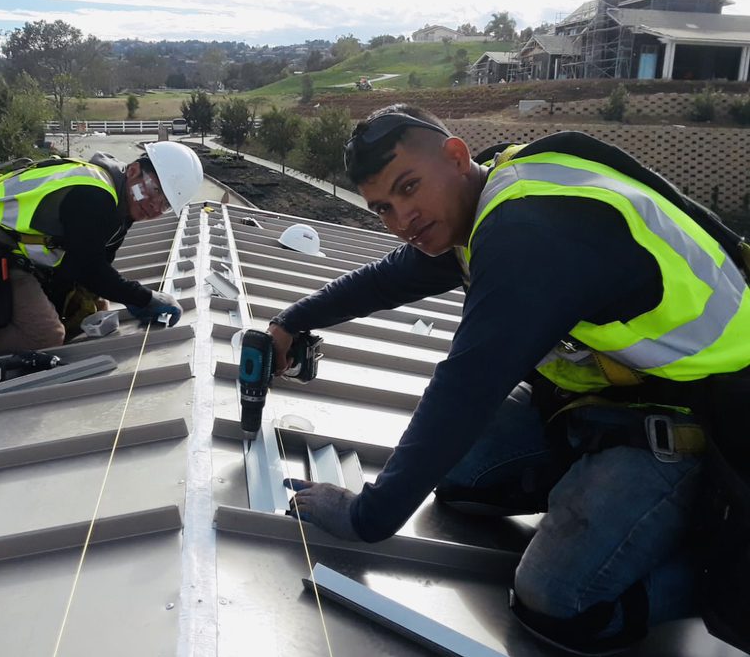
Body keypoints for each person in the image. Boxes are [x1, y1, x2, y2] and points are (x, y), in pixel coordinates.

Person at [271, 104, 750, 654]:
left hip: (696, 415)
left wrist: (365, 518)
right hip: (607, 395)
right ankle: (605, 498)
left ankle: (712, 564)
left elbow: (465, 388)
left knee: (556, 602)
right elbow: (393, 277)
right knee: (460, 483)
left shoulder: (528, 229)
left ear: (455, 156)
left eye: (408, 189)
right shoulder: (486, 191)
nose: (401, 219)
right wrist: (293, 320)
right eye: (383, 208)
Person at [0, 141, 203, 356]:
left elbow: (88, 266)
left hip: (24, 258)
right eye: (154, 192)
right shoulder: (95, 195)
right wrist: (144, 298)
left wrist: (96, 299)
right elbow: (89, 269)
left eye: (165, 205)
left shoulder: (122, 205)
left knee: (89, 311)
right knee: (46, 336)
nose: (154, 206)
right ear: (135, 170)